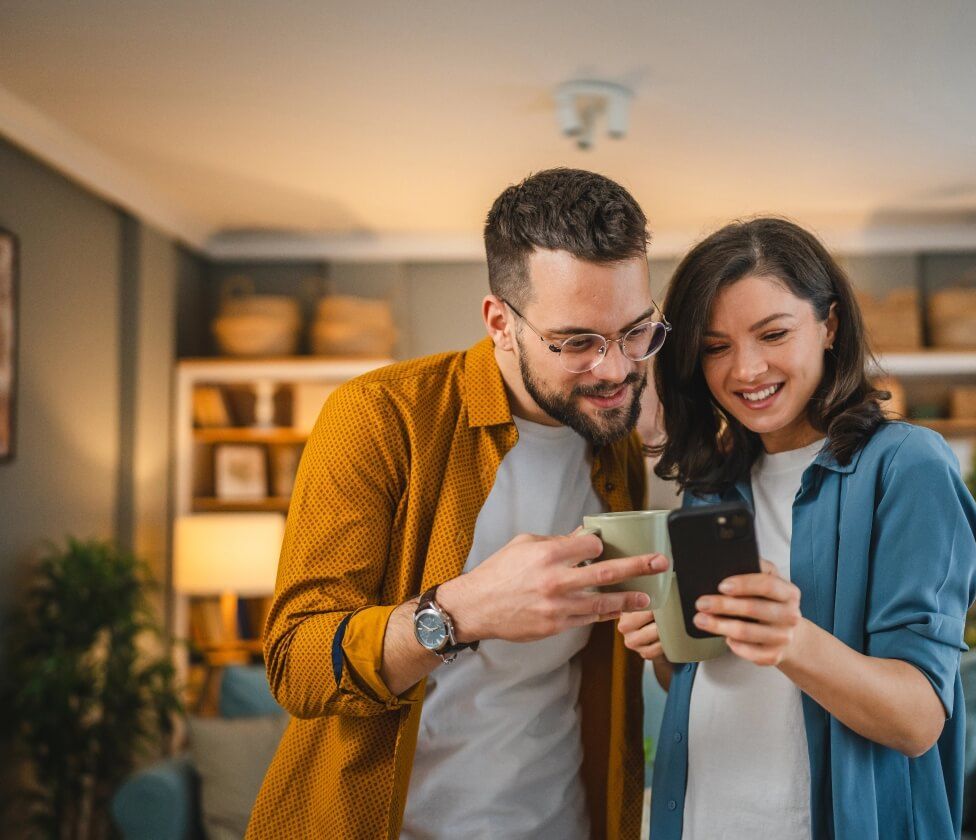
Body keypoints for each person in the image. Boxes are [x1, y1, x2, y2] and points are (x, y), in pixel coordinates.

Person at [247, 168, 672, 840]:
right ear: (501, 323)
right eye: (578, 342)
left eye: (635, 332)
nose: (615, 368)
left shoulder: (612, 437)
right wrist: (458, 613)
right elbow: (295, 662)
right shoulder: (379, 416)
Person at [619, 217, 976, 839]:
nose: (746, 370)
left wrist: (791, 639)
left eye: (773, 333)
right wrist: (665, 646)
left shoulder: (906, 465)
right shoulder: (711, 484)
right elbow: (709, 678)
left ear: (829, 325)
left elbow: (920, 718)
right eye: (715, 347)